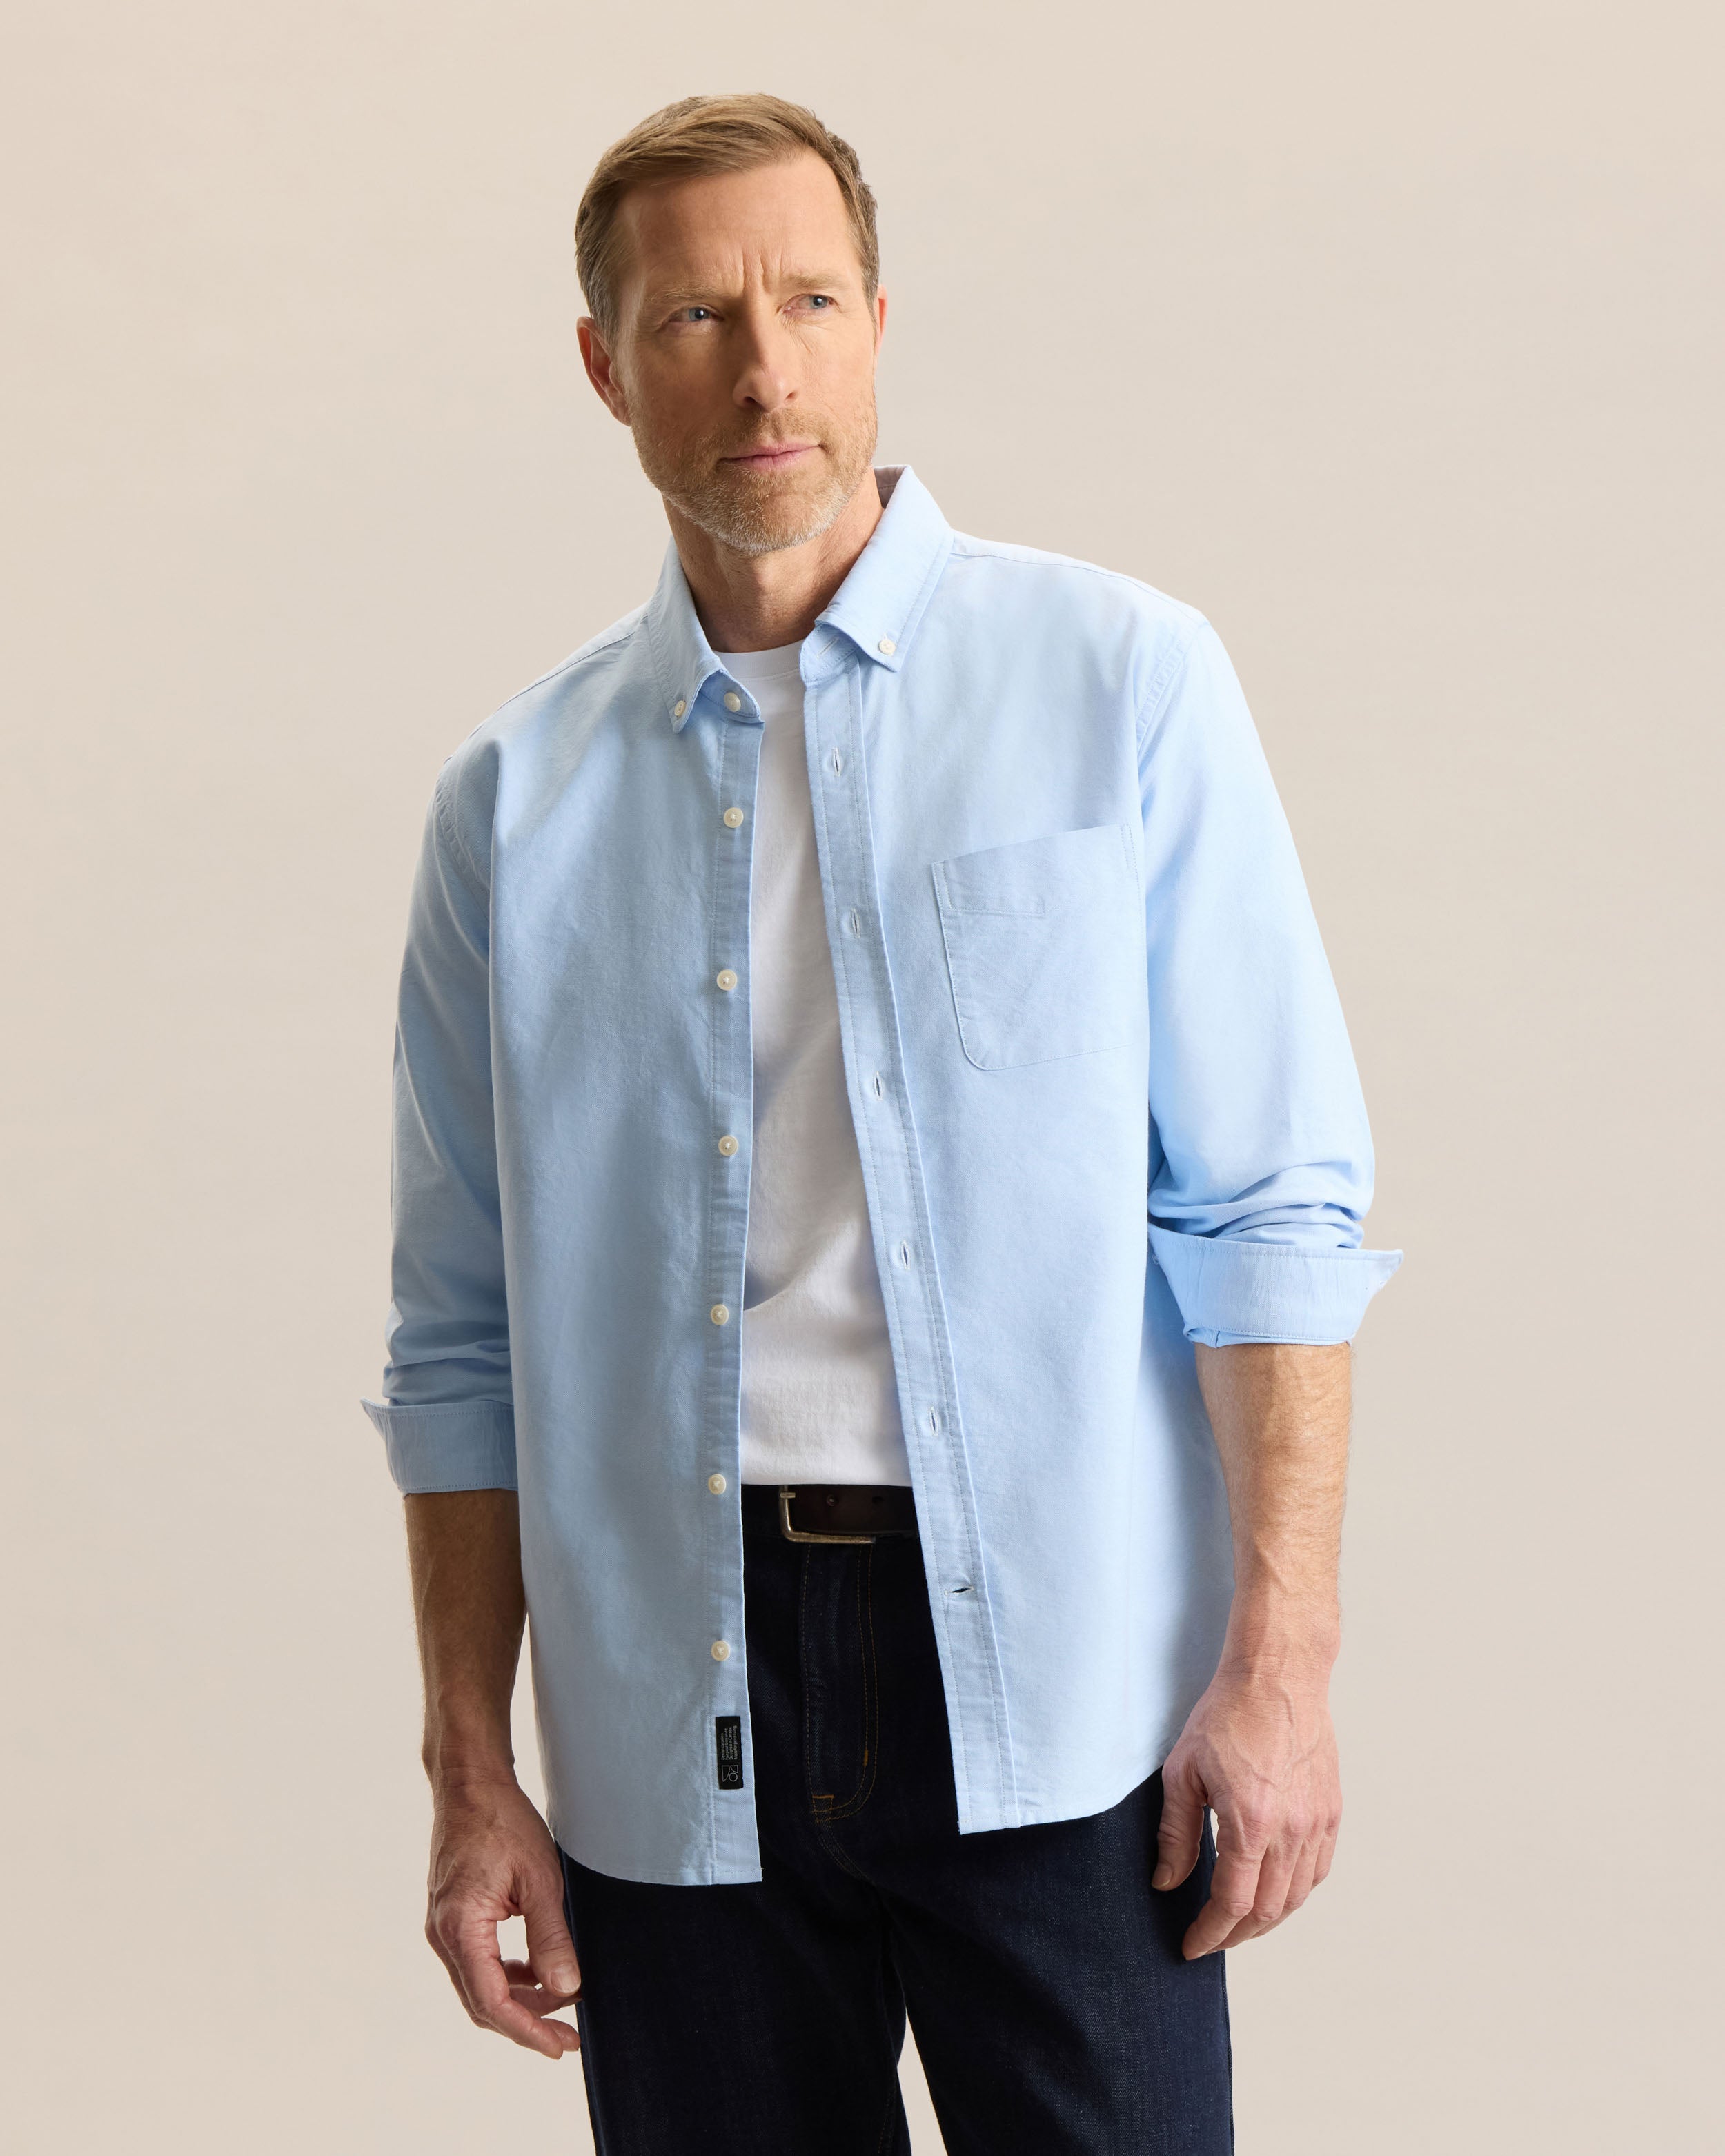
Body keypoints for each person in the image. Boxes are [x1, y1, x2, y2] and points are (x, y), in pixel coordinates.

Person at [362, 90, 1401, 2155]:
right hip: (673, 1694)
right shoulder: (512, 801)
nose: (765, 369)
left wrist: (1278, 1668)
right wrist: (473, 1770)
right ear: (606, 367)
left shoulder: (1118, 679)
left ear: (877, 321)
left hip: (1062, 1675)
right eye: (693, 317)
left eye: (810, 301)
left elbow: (1269, 1205)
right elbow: (460, 1335)